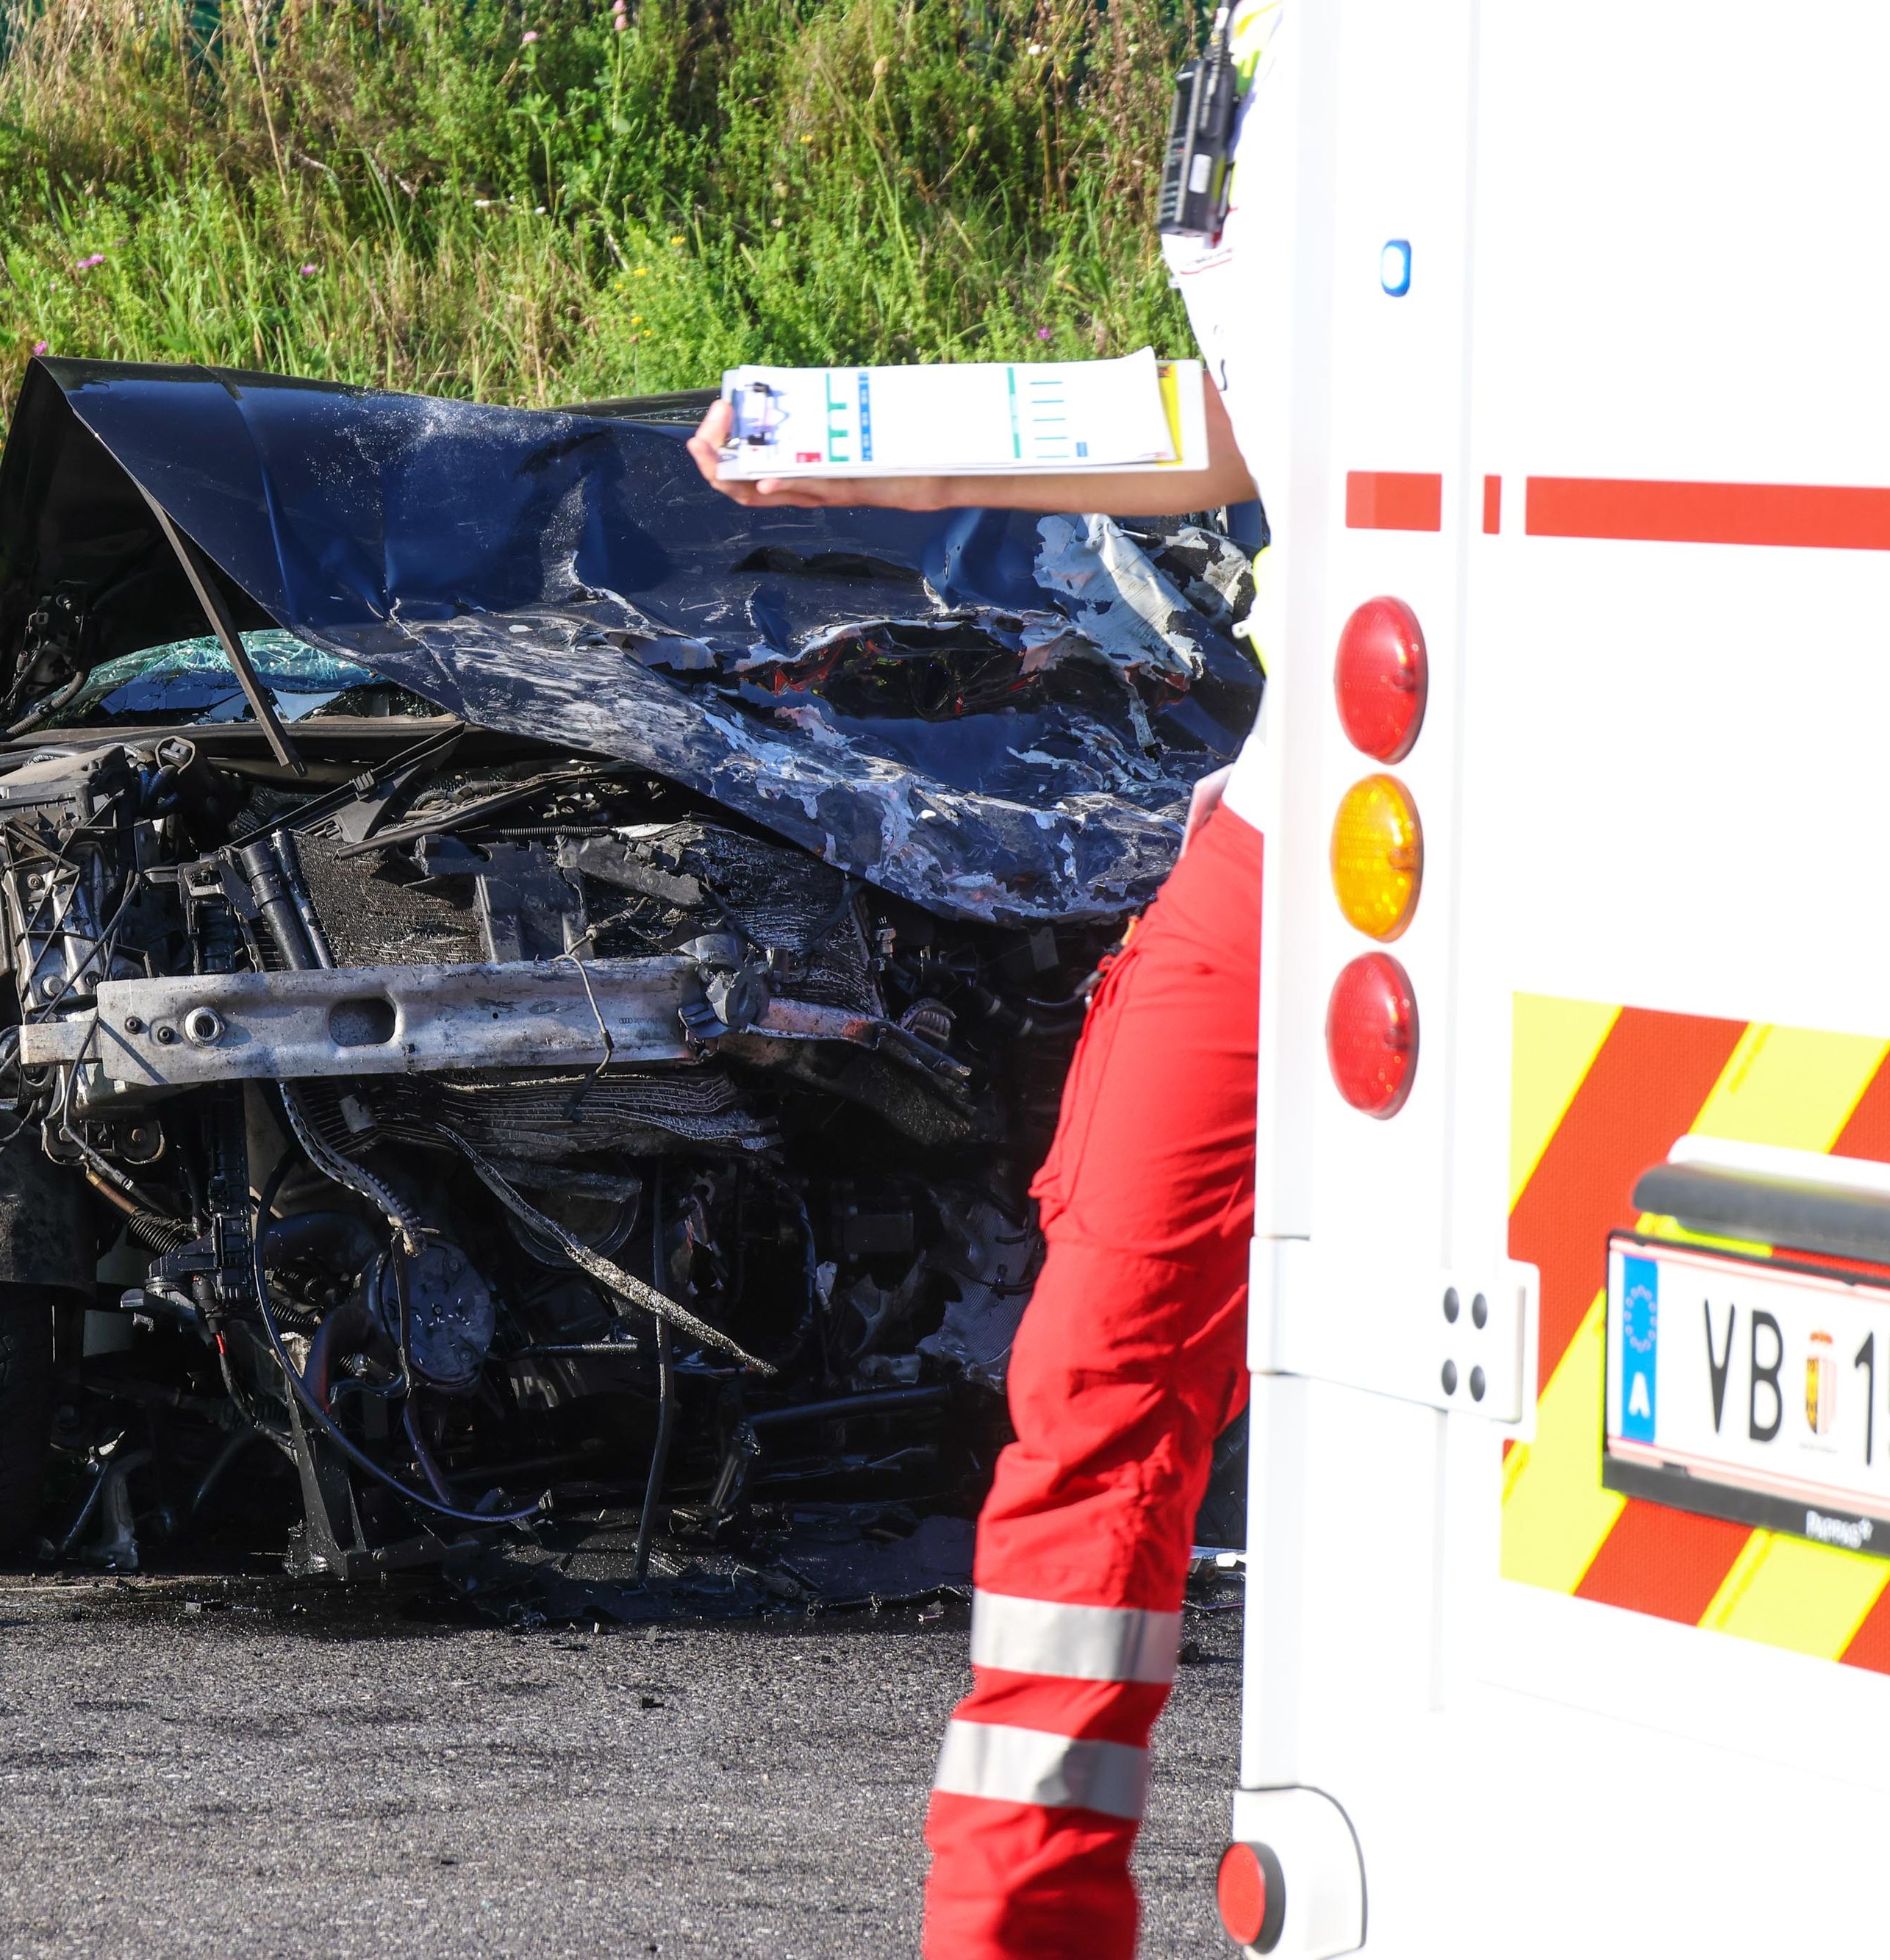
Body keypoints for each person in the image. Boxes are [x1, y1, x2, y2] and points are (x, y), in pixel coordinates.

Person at [690, 5, 1292, 1954]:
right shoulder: (1280, 40)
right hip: (1309, 824)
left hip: (1510, 826)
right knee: (1101, 1354)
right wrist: (862, 445)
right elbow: (1249, 427)